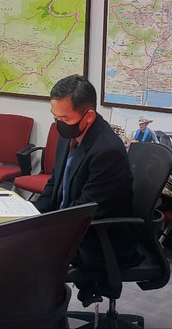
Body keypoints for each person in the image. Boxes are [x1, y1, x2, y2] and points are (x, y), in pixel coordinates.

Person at [34, 74, 139, 303]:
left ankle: (46, 315)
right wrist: (32, 214)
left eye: (64, 118)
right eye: (55, 117)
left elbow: (84, 209)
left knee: (23, 255)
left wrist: (44, 228)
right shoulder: (68, 134)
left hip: (97, 239)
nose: (58, 123)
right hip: (71, 224)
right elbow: (55, 184)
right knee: (14, 240)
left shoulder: (107, 151)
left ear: (88, 116)